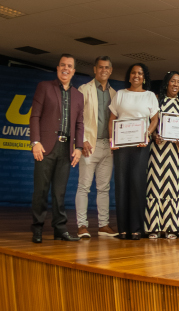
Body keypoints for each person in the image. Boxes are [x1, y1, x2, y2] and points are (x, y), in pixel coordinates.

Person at [30, 53, 84, 243]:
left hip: (66, 149)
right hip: (45, 148)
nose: (65, 68)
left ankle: (60, 229)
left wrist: (78, 148)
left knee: (59, 192)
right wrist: (35, 143)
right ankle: (37, 229)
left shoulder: (78, 95)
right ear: (57, 68)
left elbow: (79, 124)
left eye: (69, 66)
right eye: (62, 65)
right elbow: (34, 116)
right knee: (41, 191)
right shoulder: (44, 87)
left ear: (73, 71)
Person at [107, 63, 159, 241]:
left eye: (140, 73)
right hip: (121, 146)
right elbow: (112, 119)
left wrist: (147, 135)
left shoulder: (150, 96)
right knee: (121, 185)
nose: (136, 76)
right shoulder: (120, 94)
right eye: (133, 73)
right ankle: (123, 230)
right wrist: (111, 139)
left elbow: (155, 119)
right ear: (129, 76)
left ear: (144, 77)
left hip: (140, 147)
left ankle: (136, 229)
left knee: (137, 185)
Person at [145, 71, 179, 239]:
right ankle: (154, 227)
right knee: (156, 184)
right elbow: (152, 123)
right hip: (159, 150)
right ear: (166, 83)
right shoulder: (157, 99)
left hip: (177, 152)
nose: (176, 84)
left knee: (174, 186)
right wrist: (154, 136)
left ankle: (172, 226)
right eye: (173, 81)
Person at [75, 56, 115, 239]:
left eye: (107, 68)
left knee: (104, 188)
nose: (103, 70)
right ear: (94, 69)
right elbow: (77, 118)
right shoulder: (84, 90)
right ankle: (82, 225)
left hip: (108, 146)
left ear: (111, 70)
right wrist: (81, 140)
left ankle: (103, 225)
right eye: (100, 67)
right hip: (89, 144)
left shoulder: (115, 94)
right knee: (84, 186)